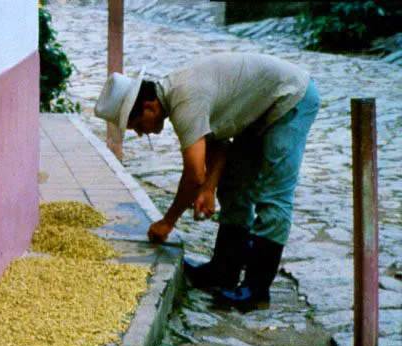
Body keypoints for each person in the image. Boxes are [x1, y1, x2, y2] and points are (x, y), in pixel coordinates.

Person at [94, 53, 320, 312]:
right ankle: (223, 272)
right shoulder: (176, 94)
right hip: (259, 108)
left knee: (273, 195)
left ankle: (257, 291)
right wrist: (210, 189)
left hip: (291, 98)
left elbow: (193, 174)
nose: (140, 132)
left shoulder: (185, 101)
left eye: (136, 125)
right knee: (234, 186)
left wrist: (167, 222)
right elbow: (218, 140)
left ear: (149, 107)